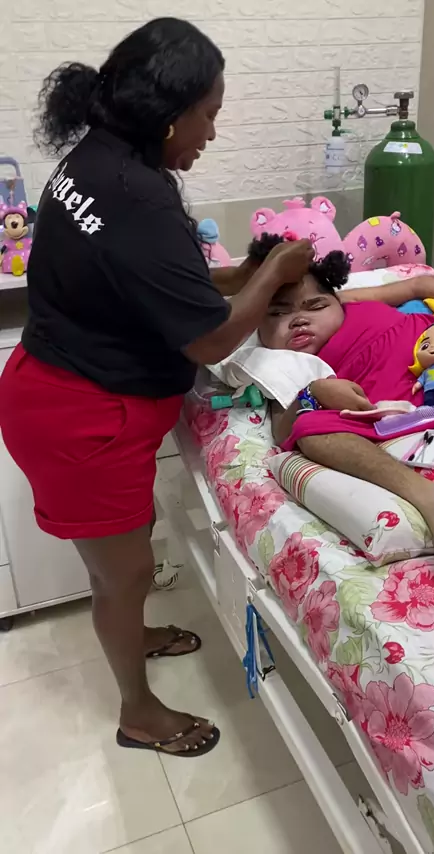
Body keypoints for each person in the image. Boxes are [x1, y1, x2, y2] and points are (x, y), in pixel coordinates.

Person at [0, 20, 314, 757]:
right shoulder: (135, 193)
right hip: (82, 417)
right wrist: (272, 272)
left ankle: (133, 630)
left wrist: (241, 275)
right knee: (123, 573)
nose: (212, 131)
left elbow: (147, 278)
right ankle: (137, 712)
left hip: (69, 395)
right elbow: (208, 339)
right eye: (209, 114)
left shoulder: (98, 160)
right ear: (169, 114)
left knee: (127, 551)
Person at [249, 234, 434, 588]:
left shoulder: (351, 301)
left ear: (335, 300)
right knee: (309, 429)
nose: (298, 319)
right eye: (278, 313)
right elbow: (283, 430)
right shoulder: (278, 362)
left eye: (315, 306)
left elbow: (422, 285)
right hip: (391, 403)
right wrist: (314, 391)